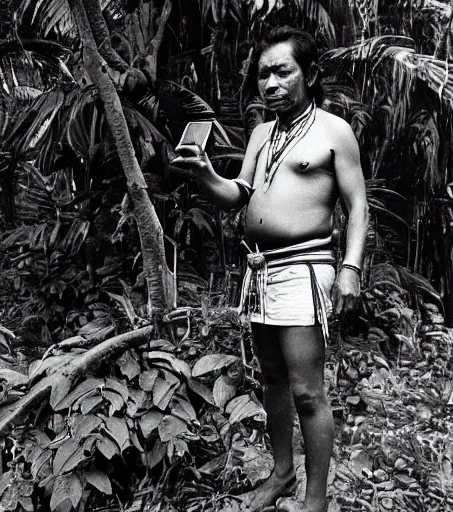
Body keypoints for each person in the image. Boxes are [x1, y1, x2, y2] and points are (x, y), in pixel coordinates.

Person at [172, 26, 369, 512]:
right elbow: (238, 194)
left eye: (283, 71)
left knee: (306, 390)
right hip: (260, 272)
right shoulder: (262, 133)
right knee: (273, 382)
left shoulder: (332, 130)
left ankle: (316, 499)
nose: (271, 83)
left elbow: (358, 205)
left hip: (305, 268)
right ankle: (281, 474)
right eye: (264, 74)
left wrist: (350, 268)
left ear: (310, 73)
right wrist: (203, 173)